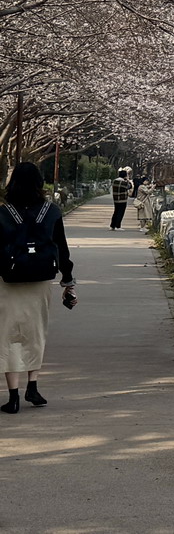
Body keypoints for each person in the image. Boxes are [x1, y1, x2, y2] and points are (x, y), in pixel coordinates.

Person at [1, 162, 77, 414]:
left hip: (8, 281)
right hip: (41, 280)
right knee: (36, 332)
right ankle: (32, 386)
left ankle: (12, 396)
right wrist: (68, 281)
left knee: (9, 335)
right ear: (38, 183)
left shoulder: (3, 213)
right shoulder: (52, 212)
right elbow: (62, 249)